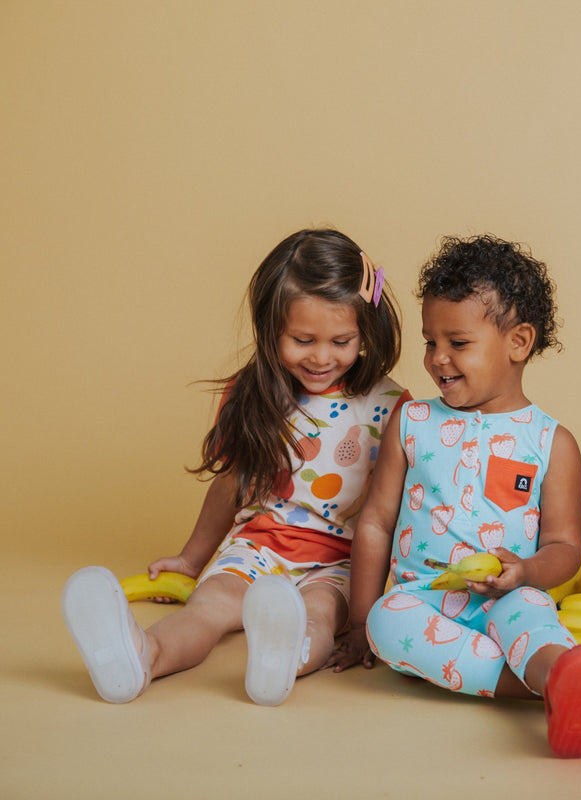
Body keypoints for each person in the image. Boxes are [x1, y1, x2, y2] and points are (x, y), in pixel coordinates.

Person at [62, 228, 410, 705]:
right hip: (257, 545)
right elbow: (230, 486)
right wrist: (190, 560)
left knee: (318, 614)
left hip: (340, 561)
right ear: (270, 329)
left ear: (365, 330)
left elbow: (392, 512)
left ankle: (283, 656)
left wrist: (362, 620)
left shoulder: (392, 407)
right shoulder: (252, 394)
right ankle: (141, 656)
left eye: (341, 340)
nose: (322, 357)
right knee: (209, 607)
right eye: (303, 339)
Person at [326, 234, 581, 758]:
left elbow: (563, 545)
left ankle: (562, 673)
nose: (437, 359)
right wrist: (357, 622)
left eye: (457, 343)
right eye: (429, 342)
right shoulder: (412, 421)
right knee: (385, 624)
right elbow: (375, 522)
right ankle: (564, 687)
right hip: (422, 597)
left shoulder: (551, 443)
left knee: (531, 620)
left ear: (518, 342)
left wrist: (526, 573)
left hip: (508, 594)